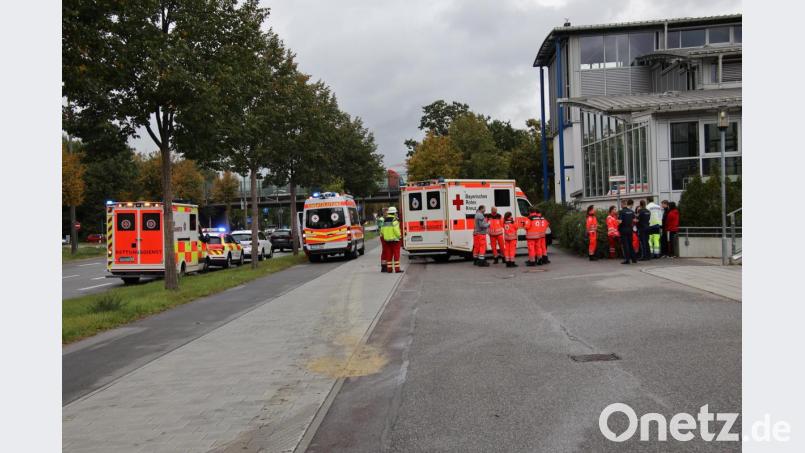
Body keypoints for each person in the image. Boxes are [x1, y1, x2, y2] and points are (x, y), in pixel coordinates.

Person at [380, 206, 403, 273]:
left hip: (387, 241)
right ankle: (397, 269)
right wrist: (400, 236)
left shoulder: (384, 220)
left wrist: (386, 237)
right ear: (394, 213)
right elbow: (396, 231)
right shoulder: (394, 221)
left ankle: (389, 269)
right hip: (395, 241)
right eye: (396, 212)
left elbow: (382, 231)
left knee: (389, 255)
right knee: (396, 255)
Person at [618, 199, 638, 264]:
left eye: (621, 204)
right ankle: (634, 259)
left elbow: (620, 221)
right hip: (630, 230)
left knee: (625, 245)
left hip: (623, 230)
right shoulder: (631, 211)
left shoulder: (621, 212)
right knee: (630, 244)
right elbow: (635, 220)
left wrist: (616, 221)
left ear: (622, 204)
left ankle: (627, 260)